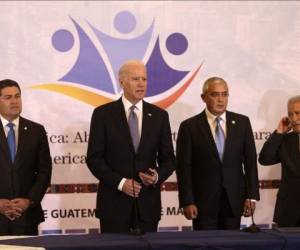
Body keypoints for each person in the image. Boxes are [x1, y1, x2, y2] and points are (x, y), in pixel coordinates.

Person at [86, 60, 175, 233]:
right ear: (122, 82)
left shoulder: (159, 116)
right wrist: (120, 183)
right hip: (114, 206)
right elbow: (94, 159)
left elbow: (169, 160)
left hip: (147, 207)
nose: (141, 83)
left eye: (144, 79)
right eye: (135, 79)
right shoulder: (103, 114)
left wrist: (156, 176)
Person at [176, 77, 260, 230]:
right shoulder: (189, 127)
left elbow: (250, 162)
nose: (221, 100)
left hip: (234, 200)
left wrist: (251, 195)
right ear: (204, 97)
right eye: (215, 95)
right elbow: (184, 168)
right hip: (202, 203)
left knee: (232, 245)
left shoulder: (242, 122)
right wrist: (187, 200)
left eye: (225, 94)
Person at [0, 79, 52, 235]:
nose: (14, 101)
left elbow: (44, 171)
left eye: (17, 96)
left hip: (26, 217)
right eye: (8, 97)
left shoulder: (36, 131)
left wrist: (29, 201)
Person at [259, 95, 300, 227]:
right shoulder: (286, 140)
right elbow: (265, 159)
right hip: (288, 212)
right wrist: (279, 132)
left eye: (298, 113)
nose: (294, 119)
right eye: (290, 114)